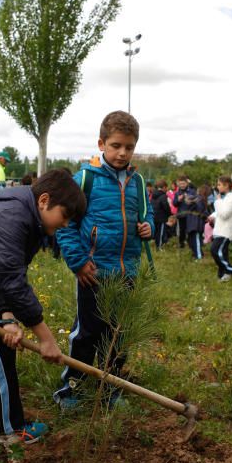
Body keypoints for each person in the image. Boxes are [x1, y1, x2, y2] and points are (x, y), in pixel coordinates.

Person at [0, 170, 86, 440]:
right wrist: (46, 338)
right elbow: (12, 281)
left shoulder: (32, 219)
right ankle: (7, 432)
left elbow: (9, 271)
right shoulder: (13, 216)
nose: (66, 225)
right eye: (65, 216)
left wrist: (7, 318)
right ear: (44, 200)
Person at [53, 111, 154, 409]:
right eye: (116, 145)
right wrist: (79, 262)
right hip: (94, 272)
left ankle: (111, 389)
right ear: (101, 144)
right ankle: (71, 388)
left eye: (129, 147)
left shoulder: (137, 183)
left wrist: (149, 228)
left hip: (128, 271)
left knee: (117, 335)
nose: (122, 153)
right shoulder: (85, 179)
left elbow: (145, 217)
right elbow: (65, 224)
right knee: (86, 333)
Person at [208, 176, 232, 282]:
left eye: (219, 185)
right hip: (220, 230)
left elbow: (225, 214)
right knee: (223, 253)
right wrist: (213, 215)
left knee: (215, 250)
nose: (217, 187)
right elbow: (220, 212)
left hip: (226, 231)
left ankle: (230, 269)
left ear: (226, 185)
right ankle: (224, 274)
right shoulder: (225, 198)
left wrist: (217, 202)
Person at [186, 186, 209, 260]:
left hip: (193, 224)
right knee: (196, 241)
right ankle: (198, 256)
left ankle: (198, 256)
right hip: (195, 224)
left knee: (195, 241)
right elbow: (201, 211)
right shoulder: (200, 199)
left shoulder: (198, 199)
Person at [173, 176, 196, 248]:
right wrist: (178, 200)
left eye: (183, 183)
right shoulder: (177, 193)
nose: (182, 185)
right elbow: (174, 204)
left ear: (187, 183)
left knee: (190, 230)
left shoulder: (192, 191)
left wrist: (190, 199)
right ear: (178, 184)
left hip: (190, 214)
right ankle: (181, 244)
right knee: (182, 231)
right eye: (180, 184)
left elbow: (196, 201)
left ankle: (191, 244)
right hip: (181, 215)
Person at [151, 179, 171, 249]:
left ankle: (157, 245)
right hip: (161, 218)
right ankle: (159, 247)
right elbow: (166, 206)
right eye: (166, 187)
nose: (167, 189)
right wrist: (169, 214)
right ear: (164, 187)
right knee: (161, 233)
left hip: (154, 216)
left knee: (157, 232)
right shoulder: (163, 196)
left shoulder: (153, 195)